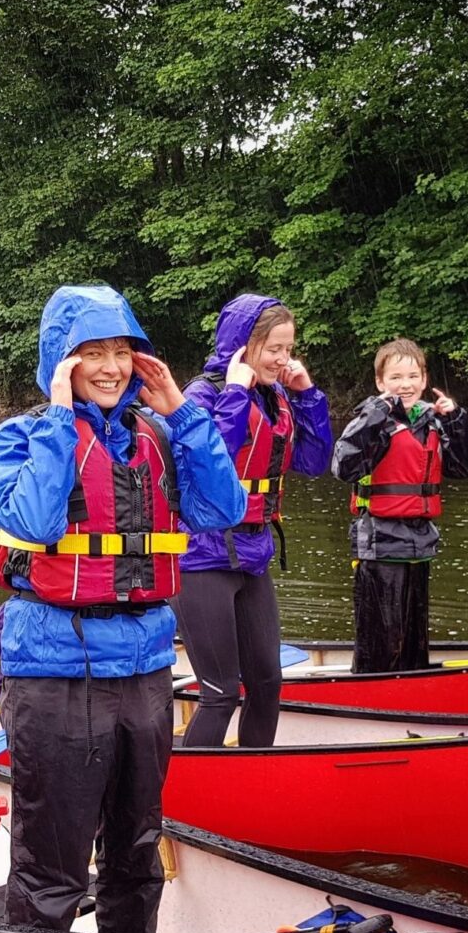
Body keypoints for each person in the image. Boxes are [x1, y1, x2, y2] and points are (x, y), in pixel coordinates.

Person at [0, 284, 245, 933]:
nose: (110, 366)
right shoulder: (21, 436)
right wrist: (58, 413)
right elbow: (34, 521)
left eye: (122, 351)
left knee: (136, 852)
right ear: (60, 361)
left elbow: (225, 510)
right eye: (90, 353)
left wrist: (183, 412)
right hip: (53, 669)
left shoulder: (157, 435)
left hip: (145, 668)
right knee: (54, 863)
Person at [175, 295, 333, 748]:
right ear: (243, 347)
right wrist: (235, 392)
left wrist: (307, 397)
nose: (284, 359)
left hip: (252, 551)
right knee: (220, 693)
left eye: (289, 349)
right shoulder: (201, 395)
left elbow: (311, 461)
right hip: (201, 558)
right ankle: (192, 794)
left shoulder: (277, 396)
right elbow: (208, 467)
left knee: (267, 685)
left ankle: (254, 776)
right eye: (274, 350)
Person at [331, 337, 468, 673]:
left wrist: (457, 422)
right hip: (379, 543)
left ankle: (415, 683)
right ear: (381, 382)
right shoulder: (373, 420)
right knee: (381, 639)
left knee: (414, 640)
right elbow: (343, 467)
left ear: (424, 380)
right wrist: (374, 416)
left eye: (413, 376)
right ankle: (372, 689)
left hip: (419, 543)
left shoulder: (433, 420)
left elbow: (464, 467)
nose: (405, 385)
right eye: (396, 378)